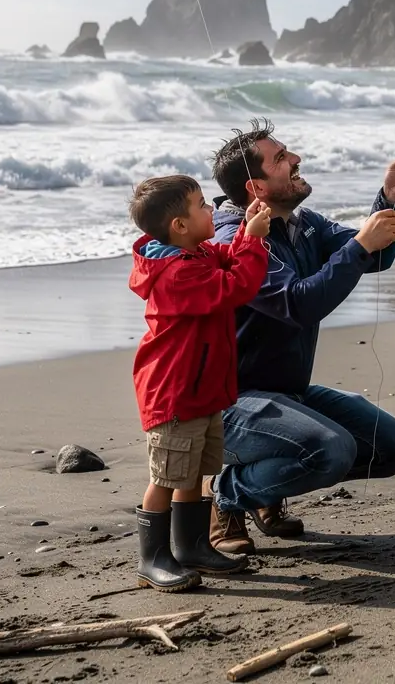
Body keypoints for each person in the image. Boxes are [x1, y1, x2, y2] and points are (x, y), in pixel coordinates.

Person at [205, 119, 395, 553]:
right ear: (256, 187)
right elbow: (299, 306)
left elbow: (374, 256)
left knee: (392, 447)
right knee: (332, 450)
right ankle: (228, 495)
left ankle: (265, 491)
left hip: (287, 395)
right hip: (228, 403)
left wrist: (392, 199)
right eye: (281, 158)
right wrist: (359, 247)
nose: (295, 159)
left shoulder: (302, 223)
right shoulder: (238, 241)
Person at [128, 174, 271, 591]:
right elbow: (237, 285)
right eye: (202, 205)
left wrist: (246, 232)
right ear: (180, 226)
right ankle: (151, 557)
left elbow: (228, 258)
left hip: (201, 389)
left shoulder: (198, 253)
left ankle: (190, 546)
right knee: (167, 475)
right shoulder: (175, 274)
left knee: (193, 472)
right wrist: (256, 241)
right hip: (173, 392)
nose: (211, 210)